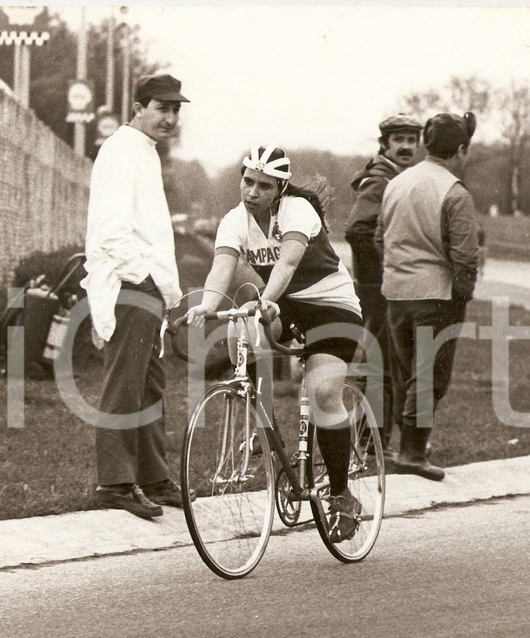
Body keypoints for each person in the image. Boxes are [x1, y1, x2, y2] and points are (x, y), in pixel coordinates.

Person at [187, 145, 365, 542]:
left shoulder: (298, 210)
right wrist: (207, 306)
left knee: (322, 391)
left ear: (280, 188)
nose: (252, 192)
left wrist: (267, 299)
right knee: (239, 329)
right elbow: (222, 267)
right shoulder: (234, 220)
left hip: (332, 306)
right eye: (247, 181)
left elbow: (286, 262)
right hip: (284, 302)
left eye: (263, 186)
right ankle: (267, 434)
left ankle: (342, 495)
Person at [81, 74, 189, 520]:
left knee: (150, 384)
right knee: (125, 383)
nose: (169, 117)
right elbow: (111, 230)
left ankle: (153, 476)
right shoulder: (121, 150)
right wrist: (141, 279)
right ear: (139, 107)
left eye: (175, 109)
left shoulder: (143, 151)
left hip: (147, 285)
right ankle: (115, 482)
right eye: (161, 108)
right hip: (130, 284)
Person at [374, 113, 480, 480]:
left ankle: (408, 447)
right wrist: (461, 295)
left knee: (406, 372)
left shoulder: (397, 183)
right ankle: (413, 452)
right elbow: (466, 255)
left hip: (396, 292)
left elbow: (378, 238)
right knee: (430, 376)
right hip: (437, 294)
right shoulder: (454, 191)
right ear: (461, 150)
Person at [345, 114, 423, 447]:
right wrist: (386, 270)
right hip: (378, 288)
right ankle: (372, 443)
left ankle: (370, 440)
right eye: (399, 140)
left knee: (386, 362)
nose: (406, 146)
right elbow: (357, 231)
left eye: (411, 139)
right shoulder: (381, 179)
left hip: (386, 286)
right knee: (382, 363)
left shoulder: (399, 176)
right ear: (385, 144)